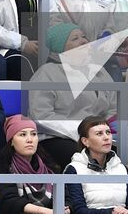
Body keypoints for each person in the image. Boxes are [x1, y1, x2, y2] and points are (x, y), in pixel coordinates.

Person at [29, 25, 116, 166]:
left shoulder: (100, 72)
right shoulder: (47, 73)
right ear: (60, 48)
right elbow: (42, 115)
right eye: (75, 39)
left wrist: (101, 132)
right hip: (59, 137)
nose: (83, 41)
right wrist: (84, 132)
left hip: (96, 136)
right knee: (82, 157)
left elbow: (113, 108)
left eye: (83, 37)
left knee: (123, 153)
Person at [0, 116, 60, 214]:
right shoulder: (1, 165)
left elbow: (65, 194)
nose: (29, 140)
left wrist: (66, 208)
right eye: (23, 134)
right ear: (11, 141)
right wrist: (43, 211)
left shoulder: (49, 165)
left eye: (33, 134)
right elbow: (7, 200)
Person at [63, 116, 128, 214]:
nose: (106, 137)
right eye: (99, 134)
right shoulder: (73, 169)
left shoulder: (122, 168)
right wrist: (110, 213)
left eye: (108, 132)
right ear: (85, 141)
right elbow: (79, 211)